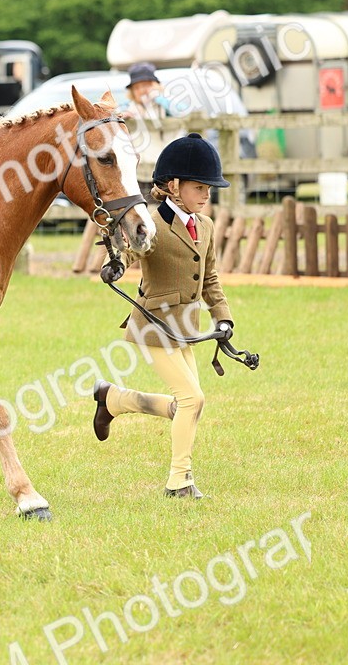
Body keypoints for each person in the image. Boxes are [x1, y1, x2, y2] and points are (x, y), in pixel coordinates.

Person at [91, 132, 234, 499]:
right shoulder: (150, 223)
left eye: (209, 188)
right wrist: (116, 264)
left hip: (187, 328)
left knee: (185, 403)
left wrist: (223, 317)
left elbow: (211, 278)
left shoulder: (206, 227)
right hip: (154, 327)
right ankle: (179, 481)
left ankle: (114, 399)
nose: (206, 194)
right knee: (192, 400)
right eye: (199, 186)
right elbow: (129, 251)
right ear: (172, 186)